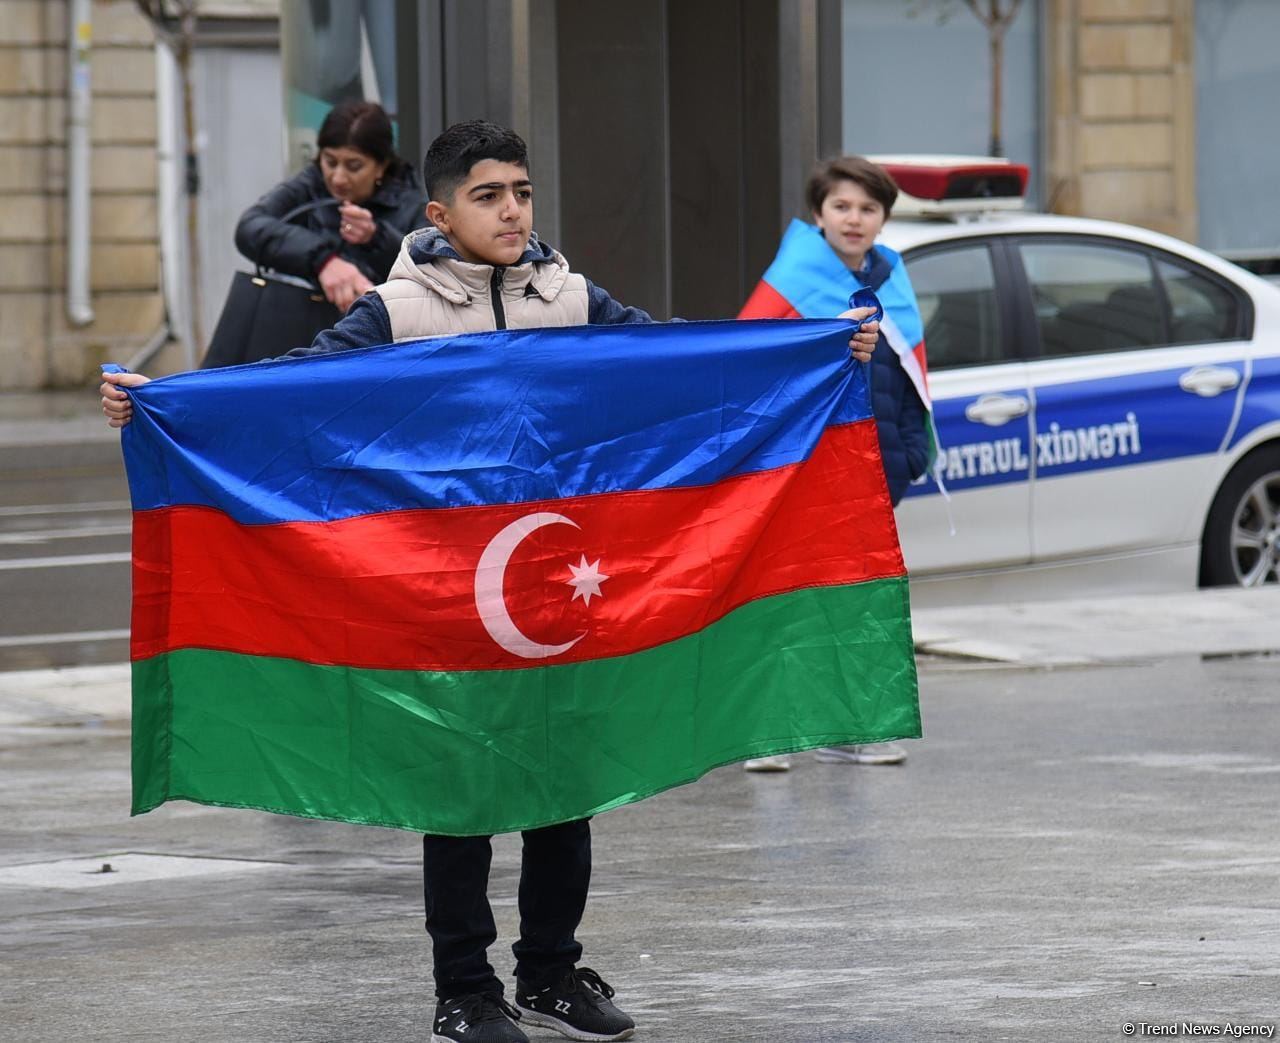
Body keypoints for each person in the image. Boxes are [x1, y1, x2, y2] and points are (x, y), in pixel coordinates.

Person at [102, 120, 880, 1043]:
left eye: (521, 191)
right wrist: (163, 403)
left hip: (563, 593)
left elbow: (689, 366)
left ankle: (551, 972)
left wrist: (818, 352)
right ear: (439, 211)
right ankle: (463, 991)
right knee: (462, 798)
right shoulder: (399, 314)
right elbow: (288, 393)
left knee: (567, 785)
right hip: (446, 605)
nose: (512, 210)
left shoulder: (572, 298)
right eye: (488, 195)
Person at [740, 155, 926, 773]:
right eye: (841, 206)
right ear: (818, 213)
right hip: (801, 472)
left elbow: (905, 377)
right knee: (787, 598)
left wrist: (911, 451)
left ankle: (849, 727)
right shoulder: (792, 279)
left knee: (854, 601)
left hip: (873, 473)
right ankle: (770, 731)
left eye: (868, 209)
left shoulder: (891, 278)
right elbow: (753, 370)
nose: (854, 219)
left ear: (883, 220)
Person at [234, 99, 428, 316]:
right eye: (330, 161)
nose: (338, 178)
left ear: (381, 166)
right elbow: (250, 227)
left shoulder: (411, 204)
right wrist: (324, 260)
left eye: (354, 166)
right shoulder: (310, 185)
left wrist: (376, 238)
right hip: (299, 328)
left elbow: (431, 275)